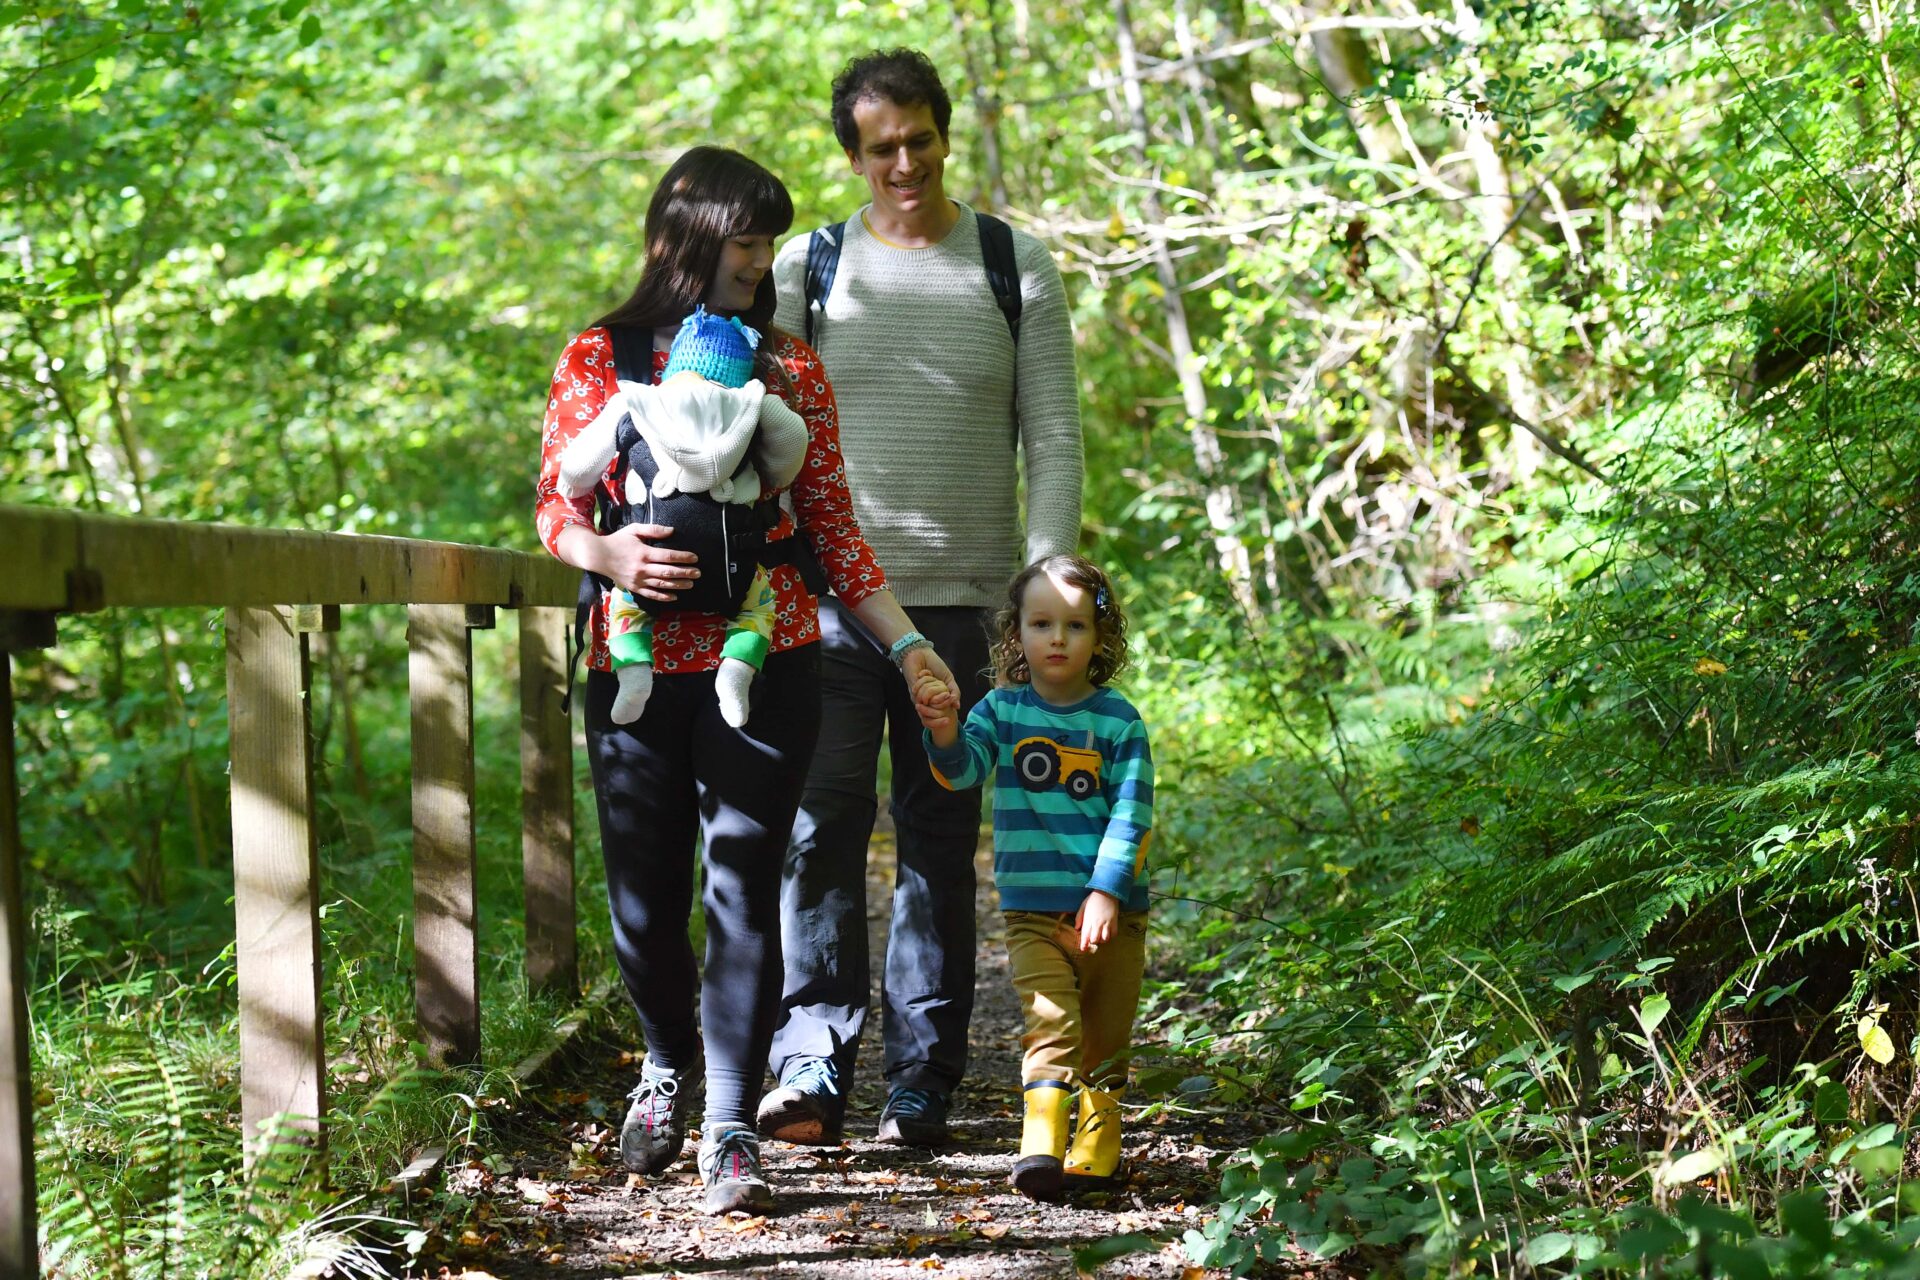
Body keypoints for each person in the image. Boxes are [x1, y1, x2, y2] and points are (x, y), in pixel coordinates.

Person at [535, 145, 957, 1215]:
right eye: (745, 240)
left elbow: (835, 530)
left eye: (769, 241)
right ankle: (664, 1061)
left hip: (768, 663)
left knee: (743, 887)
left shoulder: (788, 369)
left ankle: (727, 1123)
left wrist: (909, 646)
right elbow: (555, 507)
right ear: (684, 240)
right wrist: (608, 555)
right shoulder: (600, 357)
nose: (761, 260)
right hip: (633, 667)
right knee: (642, 904)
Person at [758, 46, 1085, 1149]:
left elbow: (1054, 436)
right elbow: (766, 433)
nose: (904, 162)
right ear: (853, 156)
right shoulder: (808, 267)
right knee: (821, 830)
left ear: (945, 136)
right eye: (880, 146)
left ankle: (921, 1082)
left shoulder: (1010, 261)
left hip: (969, 609)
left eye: (920, 139)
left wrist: (1043, 579)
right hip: (833, 605)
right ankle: (811, 1062)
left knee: (941, 842)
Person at [914, 554, 1152, 1200]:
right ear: (1015, 634)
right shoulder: (1001, 710)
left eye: (1075, 625)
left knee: (1105, 1035)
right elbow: (962, 772)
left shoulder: (1119, 720)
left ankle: (1097, 1138)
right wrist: (944, 732)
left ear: (1100, 637)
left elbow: (1133, 813)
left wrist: (1106, 890)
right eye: (1042, 624)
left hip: (1114, 912)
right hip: (1032, 911)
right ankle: (1041, 1143)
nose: (1057, 638)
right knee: (1050, 1021)